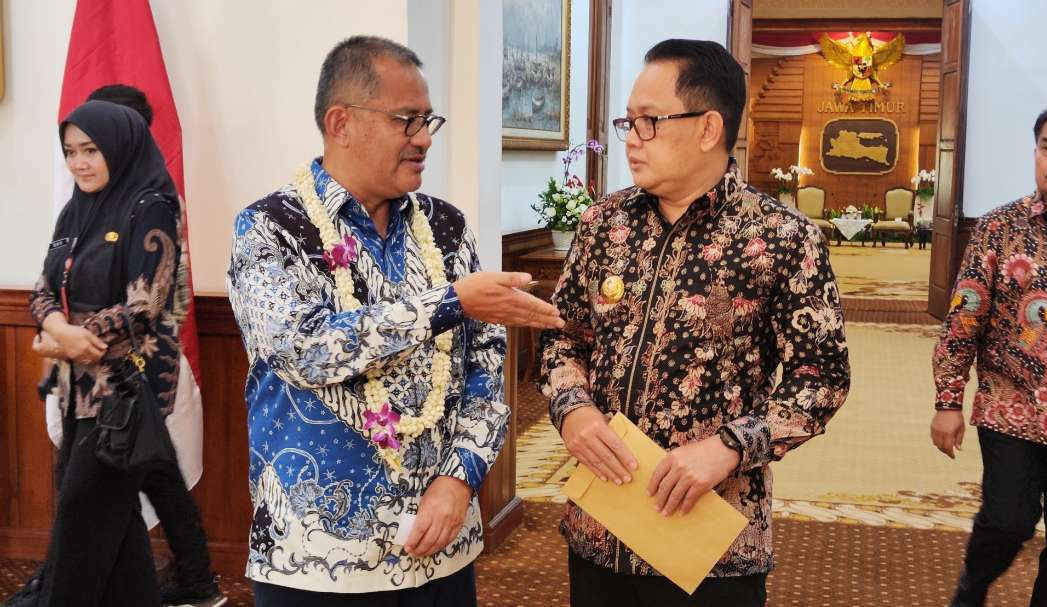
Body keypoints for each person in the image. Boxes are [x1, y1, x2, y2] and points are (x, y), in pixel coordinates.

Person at [226, 36, 563, 606]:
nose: (425, 138)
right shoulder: (270, 229)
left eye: (428, 120)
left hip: (441, 549)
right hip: (317, 558)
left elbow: (487, 372)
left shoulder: (447, 228)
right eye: (408, 120)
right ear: (341, 123)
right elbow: (303, 352)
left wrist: (460, 478)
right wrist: (449, 302)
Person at [539, 39, 850, 606]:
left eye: (649, 121)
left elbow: (821, 380)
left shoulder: (783, 238)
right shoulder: (603, 224)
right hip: (600, 525)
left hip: (711, 542)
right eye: (627, 121)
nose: (631, 138)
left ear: (709, 128)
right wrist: (572, 409)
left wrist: (729, 448)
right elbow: (563, 337)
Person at [3, 85, 225, 607]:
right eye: (71, 151)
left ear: (121, 145)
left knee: (81, 526)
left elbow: (145, 304)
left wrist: (72, 338)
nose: (79, 163)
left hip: (123, 394)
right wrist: (61, 334)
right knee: (119, 537)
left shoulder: (152, 206)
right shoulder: (76, 211)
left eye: (91, 150)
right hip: (74, 389)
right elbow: (42, 287)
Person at [932, 100, 1047, 607]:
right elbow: (963, 319)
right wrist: (948, 402)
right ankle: (971, 590)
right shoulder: (1000, 227)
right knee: (1009, 519)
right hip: (1010, 404)